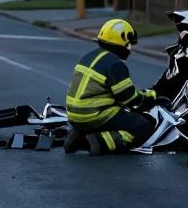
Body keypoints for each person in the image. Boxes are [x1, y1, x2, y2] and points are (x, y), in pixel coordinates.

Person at [64, 18, 159, 155]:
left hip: (74, 116)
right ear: (123, 43)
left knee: (117, 114)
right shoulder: (115, 64)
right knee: (143, 127)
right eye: (129, 44)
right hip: (95, 116)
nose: (130, 49)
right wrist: (151, 96)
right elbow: (129, 99)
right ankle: (97, 142)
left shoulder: (88, 57)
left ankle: (79, 136)